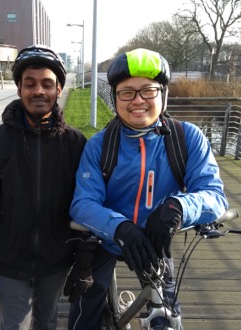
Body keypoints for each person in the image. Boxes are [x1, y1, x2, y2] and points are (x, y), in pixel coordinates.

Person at [67, 48, 229, 329]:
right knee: (84, 309)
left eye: (148, 91)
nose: (138, 100)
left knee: (165, 312)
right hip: (106, 240)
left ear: (163, 94)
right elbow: (82, 204)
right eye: (127, 92)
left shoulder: (186, 138)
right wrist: (120, 228)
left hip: (156, 242)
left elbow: (215, 196)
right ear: (115, 98)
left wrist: (178, 207)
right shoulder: (100, 145)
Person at [0, 44, 89, 330]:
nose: (38, 91)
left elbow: (86, 204)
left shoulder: (76, 144)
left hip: (57, 261)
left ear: (58, 89)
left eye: (47, 84)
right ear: (19, 89)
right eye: (29, 84)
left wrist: (84, 261)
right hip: (11, 262)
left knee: (46, 323)